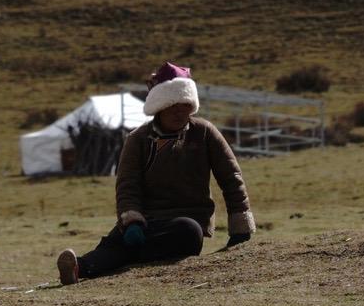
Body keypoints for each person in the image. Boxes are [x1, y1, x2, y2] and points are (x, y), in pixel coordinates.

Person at [57, 63, 255, 283]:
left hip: (187, 221)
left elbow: (231, 178)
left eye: (184, 104)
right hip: (146, 221)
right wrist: (131, 221)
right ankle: (78, 268)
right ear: (159, 107)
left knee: (188, 232)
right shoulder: (138, 139)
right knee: (120, 239)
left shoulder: (205, 133)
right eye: (172, 105)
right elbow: (127, 185)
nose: (179, 111)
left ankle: (120, 258)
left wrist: (240, 227)